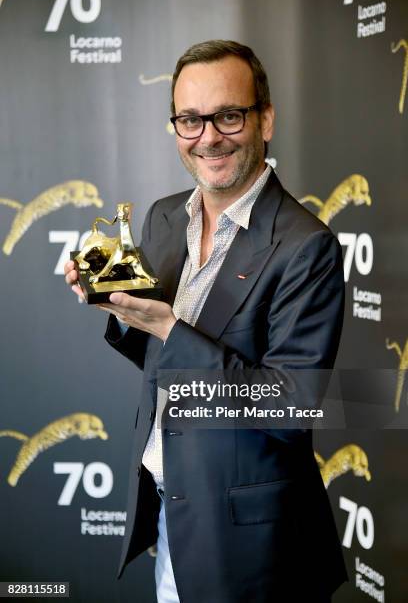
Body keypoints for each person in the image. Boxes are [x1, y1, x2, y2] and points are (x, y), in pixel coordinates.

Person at [65, 40, 347, 603]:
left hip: (255, 545)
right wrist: (120, 309)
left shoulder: (306, 246)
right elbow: (160, 354)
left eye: (228, 115)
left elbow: (290, 407)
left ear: (265, 120)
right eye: (190, 120)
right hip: (173, 518)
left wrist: (169, 327)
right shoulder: (166, 216)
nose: (208, 137)